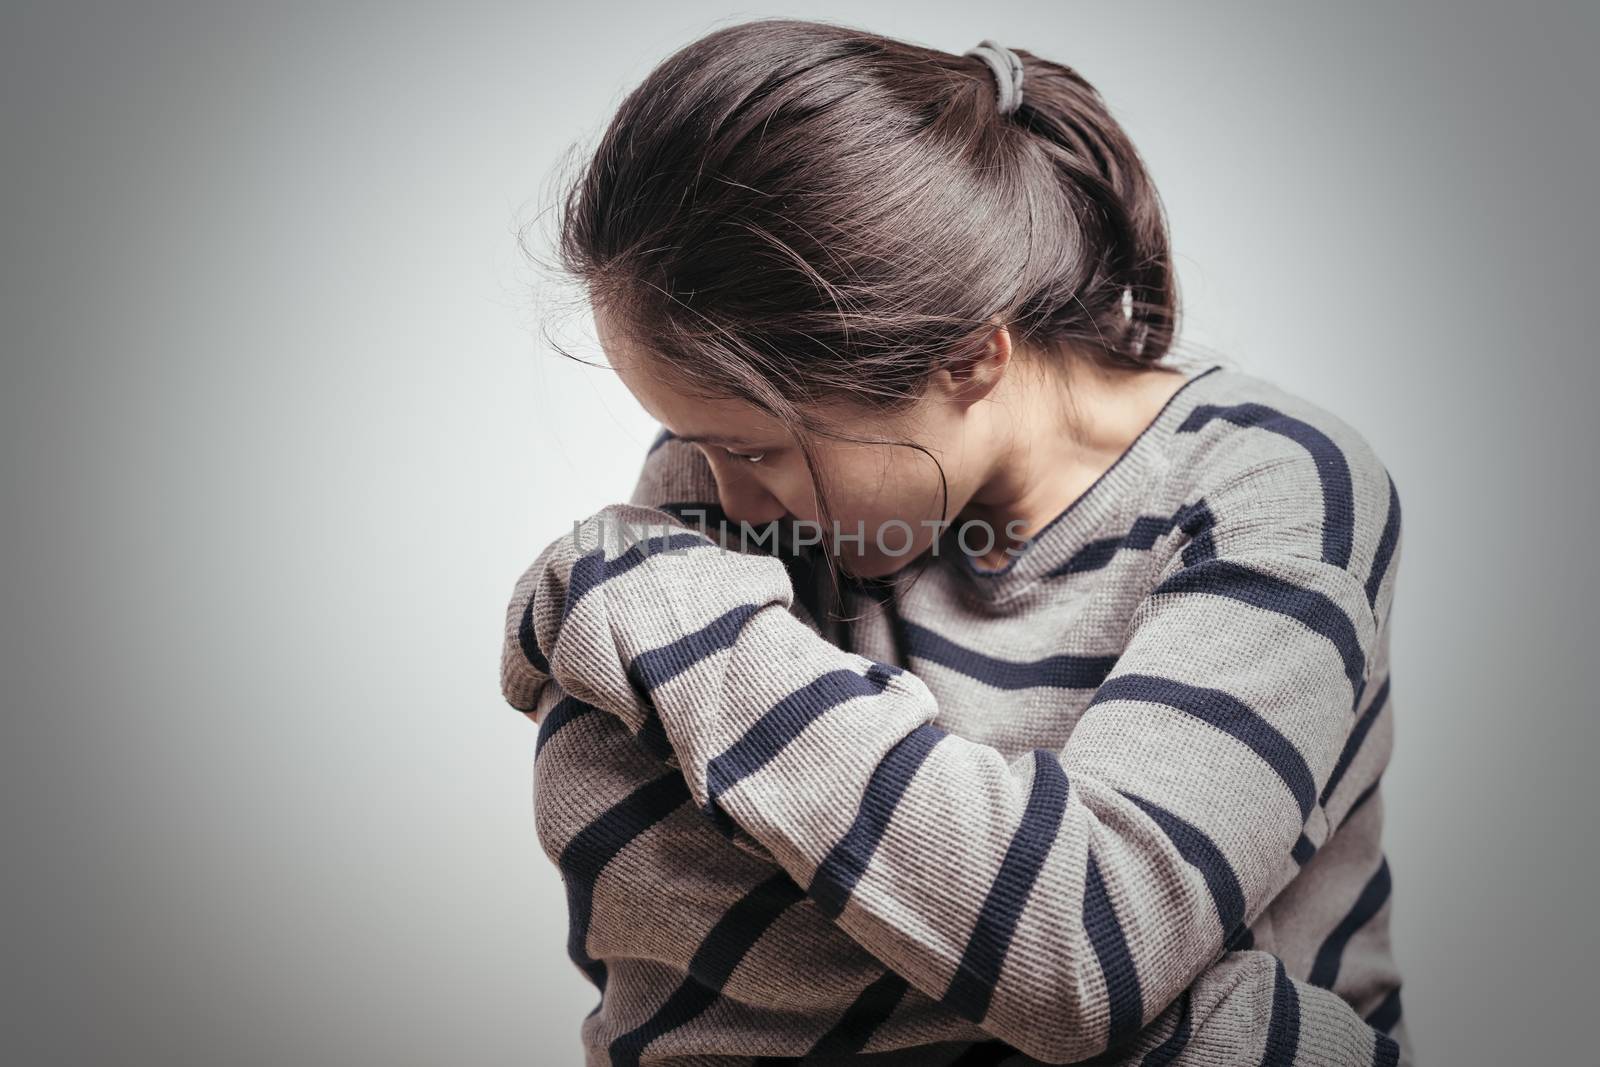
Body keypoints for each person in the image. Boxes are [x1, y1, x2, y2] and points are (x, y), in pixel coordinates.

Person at [502, 17, 1411, 1066]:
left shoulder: (1274, 493)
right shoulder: (716, 489)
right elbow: (668, 970)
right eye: (701, 443)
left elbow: (1083, 952)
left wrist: (650, 609)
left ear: (971, 360)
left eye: (757, 449)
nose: (726, 503)